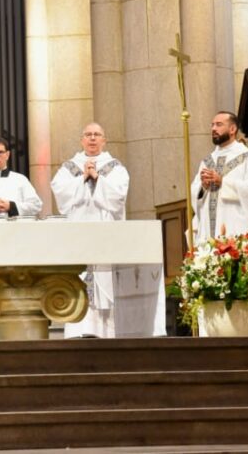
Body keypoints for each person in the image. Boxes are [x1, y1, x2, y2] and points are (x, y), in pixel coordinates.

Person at [51, 123, 162, 338]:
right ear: (82, 140)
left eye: (97, 135)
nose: (92, 138)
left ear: (104, 140)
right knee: (79, 279)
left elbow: (118, 197)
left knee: (106, 282)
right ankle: (77, 330)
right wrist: (83, 178)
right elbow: (60, 194)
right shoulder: (69, 167)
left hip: (107, 236)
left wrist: (97, 179)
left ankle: (105, 335)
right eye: (88, 135)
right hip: (78, 235)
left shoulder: (115, 167)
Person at [190, 111, 248, 242]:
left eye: (219, 124)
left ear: (232, 129)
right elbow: (195, 193)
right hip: (208, 230)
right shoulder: (207, 161)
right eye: (212, 125)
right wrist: (202, 187)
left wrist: (223, 182)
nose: (213, 128)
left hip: (235, 227)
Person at [0, 137, 42, 217]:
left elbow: (36, 205)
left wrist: (11, 206)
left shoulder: (20, 179)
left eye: (0, 152)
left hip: (14, 228)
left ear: (7, 154)